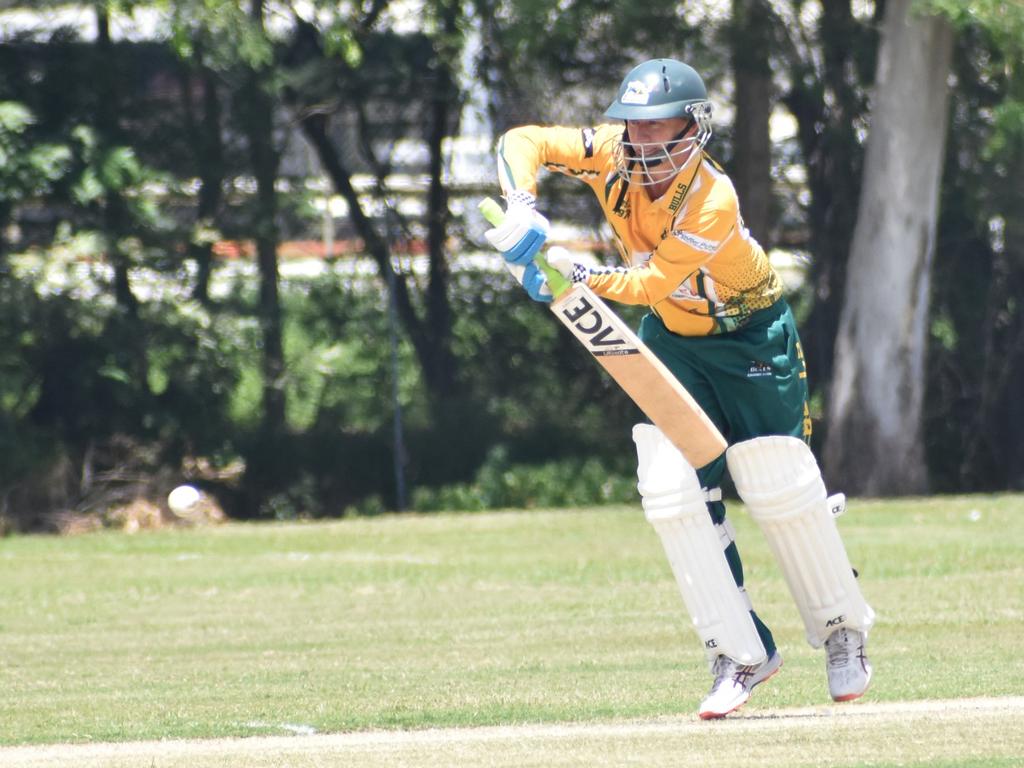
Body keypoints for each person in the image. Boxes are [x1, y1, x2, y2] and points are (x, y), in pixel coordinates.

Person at [484, 58, 875, 719]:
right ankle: (739, 653)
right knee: (671, 485)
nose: (644, 145)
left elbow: (648, 284)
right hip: (672, 337)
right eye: (634, 129)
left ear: (695, 130)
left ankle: (843, 632)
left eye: (660, 128)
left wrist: (572, 272)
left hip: (750, 335)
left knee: (778, 484)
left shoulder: (711, 199)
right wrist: (523, 204)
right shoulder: (611, 152)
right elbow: (521, 141)